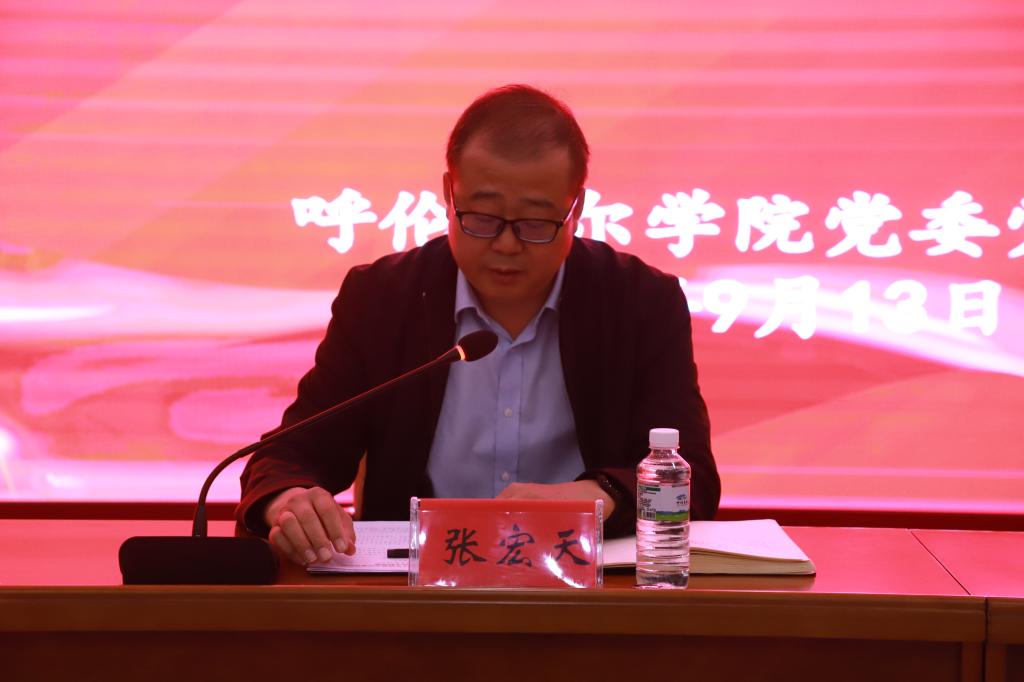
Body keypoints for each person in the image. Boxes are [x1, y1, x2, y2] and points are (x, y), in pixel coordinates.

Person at [237, 85, 720, 567]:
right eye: (482, 218)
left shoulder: (639, 303)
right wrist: (289, 501)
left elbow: (692, 477)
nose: (506, 245)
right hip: (413, 594)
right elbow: (289, 456)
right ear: (449, 193)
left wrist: (601, 495)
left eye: (535, 222)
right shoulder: (383, 298)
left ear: (576, 208)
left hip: (589, 586)